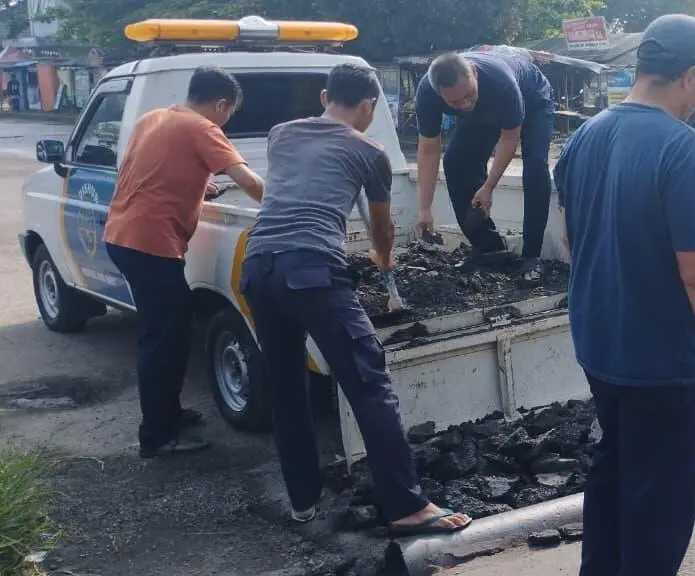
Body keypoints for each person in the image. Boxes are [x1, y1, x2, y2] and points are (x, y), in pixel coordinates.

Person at [553, 14, 695, 576]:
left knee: (613, 477)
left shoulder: (585, 136)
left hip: (601, 348)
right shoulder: (681, 148)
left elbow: (574, 238)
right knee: (659, 507)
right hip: (660, 364)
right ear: (692, 76)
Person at [239, 64, 472, 535]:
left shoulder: (281, 133)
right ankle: (407, 506)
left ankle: (302, 502)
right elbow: (382, 227)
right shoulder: (370, 150)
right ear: (369, 106)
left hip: (258, 268)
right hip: (311, 271)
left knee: (286, 390)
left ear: (326, 95)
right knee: (369, 383)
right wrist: (384, 260)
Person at [104, 66, 265, 459]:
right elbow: (249, 182)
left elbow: (149, 170)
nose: (226, 122)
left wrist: (199, 184)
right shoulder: (203, 128)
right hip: (150, 244)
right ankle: (158, 436)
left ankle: (167, 414)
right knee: (164, 341)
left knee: (165, 333)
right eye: (228, 114)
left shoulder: (154, 118)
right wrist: (289, 207)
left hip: (122, 236)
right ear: (221, 105)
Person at [414, 48, 555, 287]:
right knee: (456, 161)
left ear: (474, 74)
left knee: (535, 166)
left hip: (532, 100)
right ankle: (489, 249)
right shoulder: (427, 93)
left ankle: (532, 257)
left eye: (468, 95)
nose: (465, 105)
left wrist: (489, 187)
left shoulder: (501, 83)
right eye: (454, 102)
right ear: (439, 94)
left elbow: (509, 140)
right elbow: (429, 149)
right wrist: (424, 208)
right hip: (487, 109)